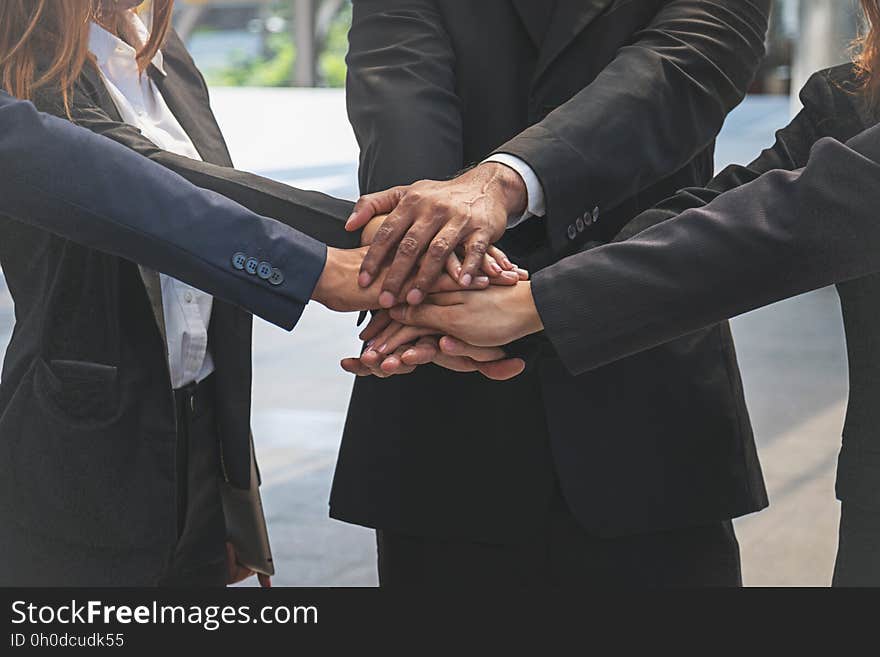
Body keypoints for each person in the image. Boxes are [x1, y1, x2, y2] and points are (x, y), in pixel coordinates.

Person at [0, 0, 519, 586]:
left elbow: (216, 210)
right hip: (79, 459)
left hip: (197, 445)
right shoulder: (23, 65)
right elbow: (151, 183)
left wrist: (232, 496)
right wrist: (355, 252)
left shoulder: (162, 50)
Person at [373, 0, 880, 586]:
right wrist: (436, 256)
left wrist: (525, 296)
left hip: (654, 430)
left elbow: (790, 216)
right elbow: (733, 204)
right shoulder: (854, 94)